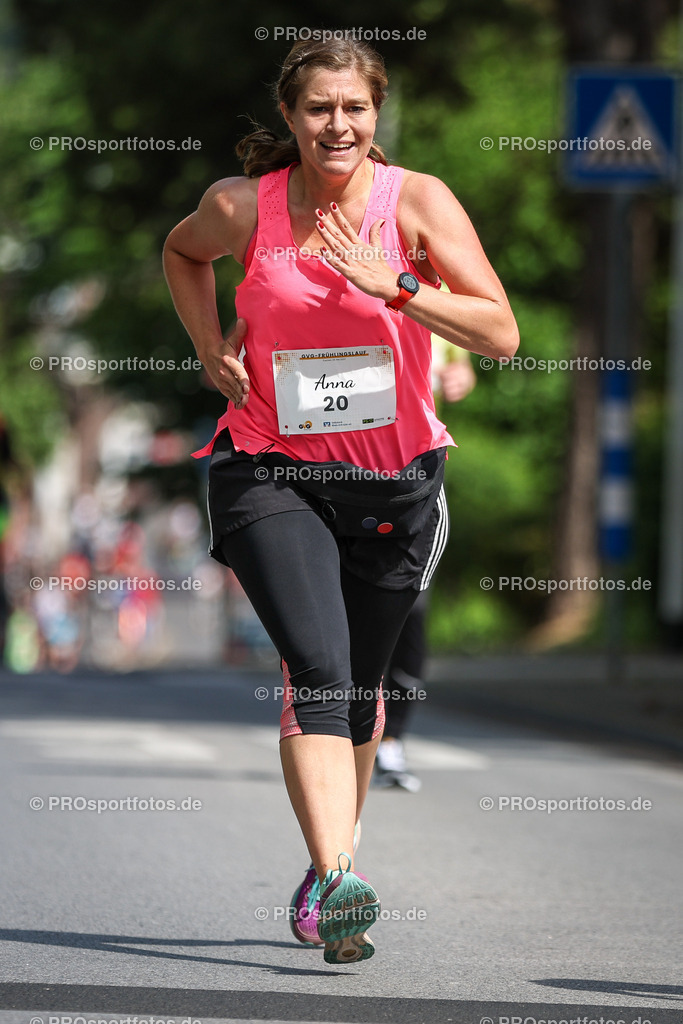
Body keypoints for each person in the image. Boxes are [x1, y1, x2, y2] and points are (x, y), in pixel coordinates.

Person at [163, 37, 518, 965]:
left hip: (394, 482)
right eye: (318, 108)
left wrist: (397, 287)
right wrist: (208, 346)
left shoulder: (418, 202)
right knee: (317, 669)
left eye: (354, 107)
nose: (337, 125)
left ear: (376, 113)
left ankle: (334, 872)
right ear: (289, 117)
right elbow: (182, 253)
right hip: (270, 468)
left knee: (359, 687)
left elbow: (500, 332)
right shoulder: (242, 206)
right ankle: (334, 879)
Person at [375, 350, 477, 792]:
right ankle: (338, 732)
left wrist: (460, 378)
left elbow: (462, 364)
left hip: (413, 469)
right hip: (335, 466)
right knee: (349, 614)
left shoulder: (436, 308)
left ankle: (391, 741)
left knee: (409, 614)